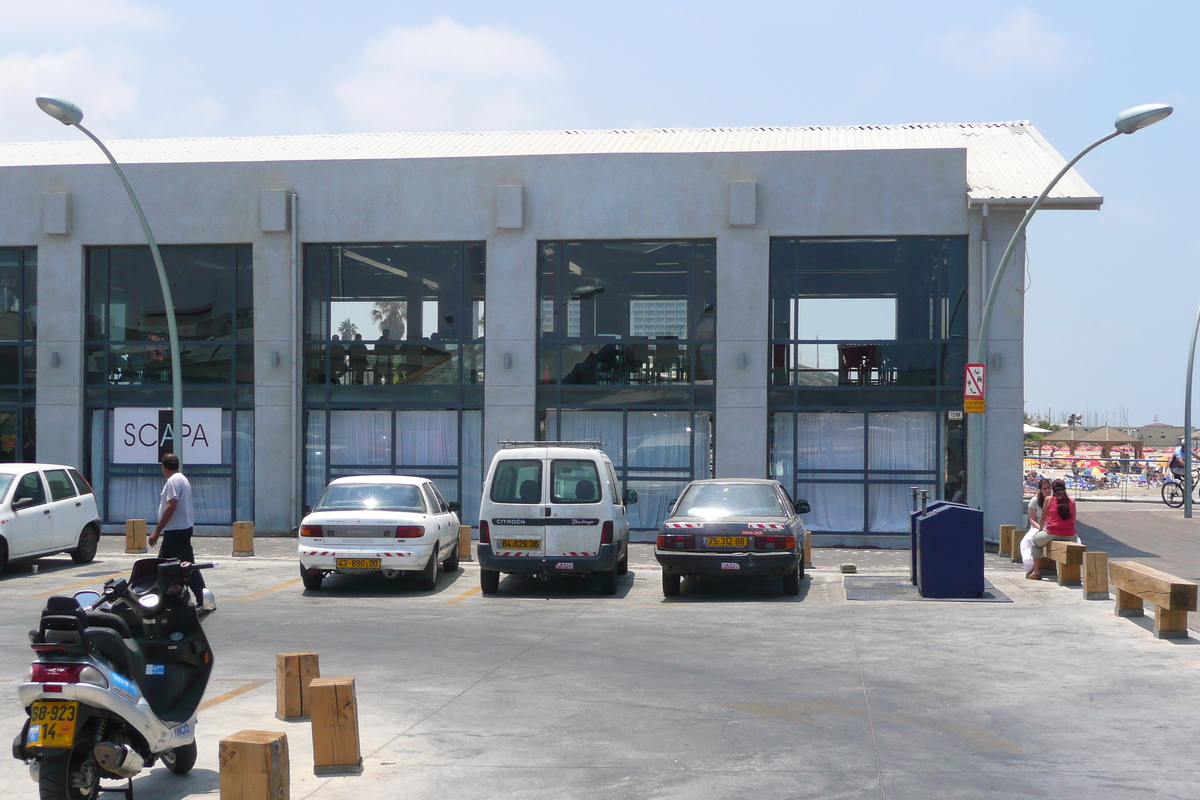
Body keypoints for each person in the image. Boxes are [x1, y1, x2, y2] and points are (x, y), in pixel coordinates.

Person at [149, 453, 207, 601]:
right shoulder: (182, 479)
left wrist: (156, 531)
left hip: (176, 531)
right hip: (178, 529)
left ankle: (203, 597)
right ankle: (160, 597)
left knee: (186, 567)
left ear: (163, 466)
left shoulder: (173, 482)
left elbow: (171, 507)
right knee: (163, 565)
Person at [1027, 479, 1079, 580]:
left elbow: (1043, 518)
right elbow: (1074, 518)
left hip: (1052, 533)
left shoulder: (1049, 500)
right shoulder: (1072, 500)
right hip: (1071, 535)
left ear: (1053, 489)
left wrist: (1041, 530)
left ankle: (1036, 571)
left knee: (1035, 543)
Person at [1020, 479, 1053, 575]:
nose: (1047, 490)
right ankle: (1029, 565)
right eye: (1044, 489)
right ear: (1040, 490)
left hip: (1051, 526)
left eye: (1049, 488)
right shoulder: (1035, 501)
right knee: (1026, 541)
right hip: (1037, 526)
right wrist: (1040, 528)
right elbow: (1032, 519)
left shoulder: (1054, 500)